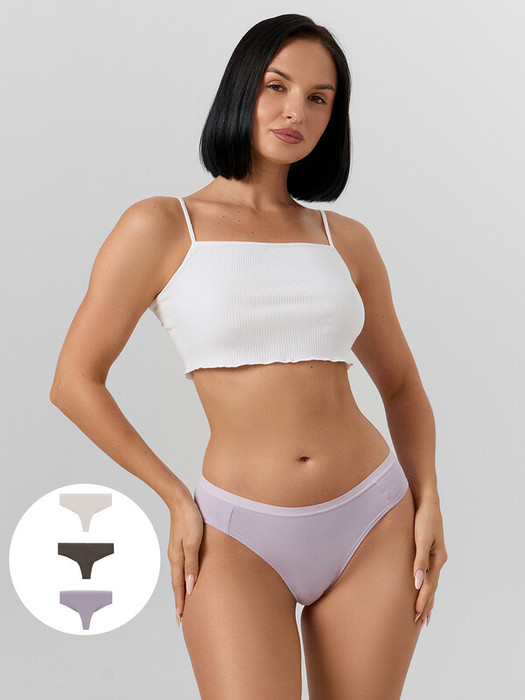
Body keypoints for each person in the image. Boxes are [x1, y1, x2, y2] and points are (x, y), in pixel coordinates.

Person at [50, 13, 447, 700]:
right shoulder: (161, 225)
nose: (296, 111)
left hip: (374, 517)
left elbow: (403, 384)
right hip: (235, 532)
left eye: (319, 98)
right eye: (277, 86)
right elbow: (74, 381)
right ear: (241, 88)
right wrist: (174, 497)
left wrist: (428, 496)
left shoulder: (344, 239)